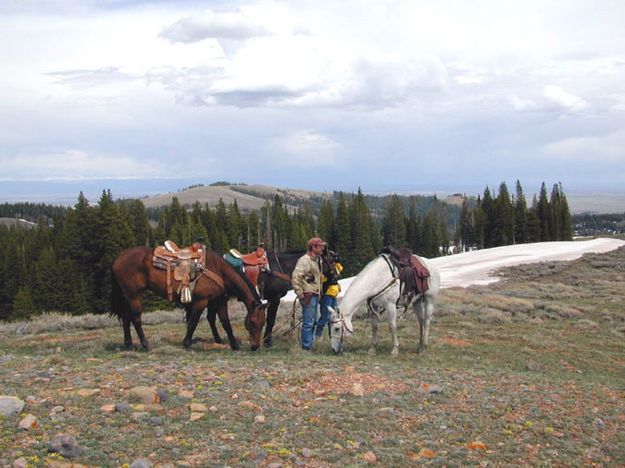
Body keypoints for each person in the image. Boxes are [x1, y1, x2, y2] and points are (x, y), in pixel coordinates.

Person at [291, 236, 325, 350]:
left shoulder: (315, 260)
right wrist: (300, 293)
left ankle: (308, 345)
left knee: (313, 321)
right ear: (313, 247)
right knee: (308, 322)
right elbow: (296, 276)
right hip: (308, 295)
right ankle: (306, 347)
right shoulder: (305, 260)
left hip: (314, 294)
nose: (322, 249)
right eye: (320, 246)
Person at [315, 248, 343, 340]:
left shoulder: (331, 265)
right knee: (325, 316)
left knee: (333, 316)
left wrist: (337, 261)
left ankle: (332, 335)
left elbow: (340, 269)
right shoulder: (322, 265)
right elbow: (321, 278)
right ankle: (318, 335)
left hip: (333, 293)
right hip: (326, 293)